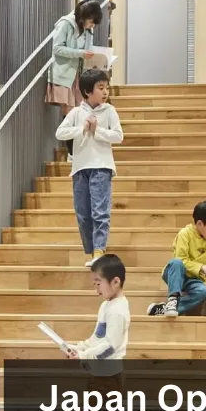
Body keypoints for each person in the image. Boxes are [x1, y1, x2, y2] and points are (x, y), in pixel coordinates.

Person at [58, 254, 137, 411]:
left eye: (98, 283)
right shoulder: (107, 306)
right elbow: (97, 338)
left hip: (108, 373)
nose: (96, 288)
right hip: (101, 371)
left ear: (115, 281)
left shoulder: (119, 310)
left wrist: (85, 356)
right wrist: (80, 347)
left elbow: (110, 345)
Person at [56, 69, 122, 268]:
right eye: (100, 88)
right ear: (87, 91)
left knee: (100, 212)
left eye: (106, 88)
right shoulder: (76, 113)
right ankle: (91, 251)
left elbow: (118, 136)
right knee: (83, 214)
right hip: (79, 168)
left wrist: (97, 130)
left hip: (101, 166)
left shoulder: (109, 111)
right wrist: (83, 128)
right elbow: (60, 133)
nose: (105, 92)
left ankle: (99, 250)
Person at [48, 0, 104, 160]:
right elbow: (57, 48)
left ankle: (77, 151)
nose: (92, 26)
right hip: (64, 73)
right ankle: (72, 153)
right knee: (70, 113)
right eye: (91, 22)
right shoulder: (66, 23)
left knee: (81, 112)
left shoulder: (88, 30)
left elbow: (88, 49)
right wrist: (80, 53)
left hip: (78, 74)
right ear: (83, 16)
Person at [147, 200, 206, 317]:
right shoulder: (185, 234)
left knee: (202, 291)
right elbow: (181, 260)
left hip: (194, 280)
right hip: (176, 275)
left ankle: (166, 309)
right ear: (199, 224)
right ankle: (172, 299)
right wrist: (202, 267)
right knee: (176, 262)